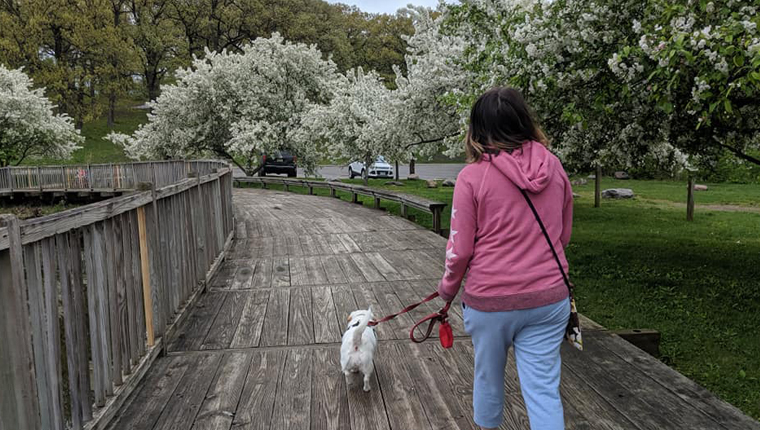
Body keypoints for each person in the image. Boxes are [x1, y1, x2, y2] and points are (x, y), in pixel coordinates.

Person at [437, 87, 573, 430]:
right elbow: (563, 235)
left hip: (490, 301)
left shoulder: (471, 177)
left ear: (477, 129)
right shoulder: (553, 167)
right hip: (549, 297)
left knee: (488, 381)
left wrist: (447, 292)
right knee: (543, 390)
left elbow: (461, 250)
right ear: (524, 121)